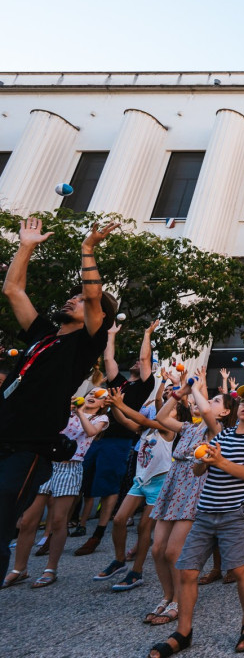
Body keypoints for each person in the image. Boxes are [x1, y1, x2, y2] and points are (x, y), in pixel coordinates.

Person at [1, 217, 118, 578]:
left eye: (80, 300)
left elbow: (95, 295)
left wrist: (88, 249)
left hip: (27, 448)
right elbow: (13, 291)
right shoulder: (44, 335)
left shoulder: (85, 345)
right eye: (73, 296)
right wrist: (26, 246)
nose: (74, 298)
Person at [148, 382, 244, 657]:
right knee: (188, 570)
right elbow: (196, 471)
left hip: (234, 513)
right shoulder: (223, 435)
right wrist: (202, 458)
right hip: (205, 512)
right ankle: (183, 632)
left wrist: (217, 461)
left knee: (239, 569)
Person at [144, 372, 238, 627]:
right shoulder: (188, 428)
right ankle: (167, 595)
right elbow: (162, 417)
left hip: (194, 489)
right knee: (157, 549)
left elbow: (206, 412)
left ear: (223, 413)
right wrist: (179, 393)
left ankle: (178, 600)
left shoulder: (218, 431)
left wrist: (195, 386)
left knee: (175, 551)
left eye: (218, 401)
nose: (210, 404)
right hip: (174, 486)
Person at [5, 389, 108, 588]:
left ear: (104, 403)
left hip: (70, 468)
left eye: (100, 395)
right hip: (47, 464)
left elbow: (91, 432)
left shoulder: (101, 418)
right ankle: (19, 569)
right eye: (92, 392)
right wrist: (64, 409)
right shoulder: (65, 413)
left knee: (59, 521)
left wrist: (79, 413)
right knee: (27, 521)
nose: (94, 395)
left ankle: (50, 569)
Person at [76, 318, 157, 556]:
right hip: (99, 438)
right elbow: (110, 360)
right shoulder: (119, 383)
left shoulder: (144, 384)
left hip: (120, 439)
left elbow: (144, 359)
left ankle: (98, 532)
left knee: (109, 484)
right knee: (87, 483)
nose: (136, 362)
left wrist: (147, 334)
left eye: (140, 363)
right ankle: (78, 525)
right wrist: (111, 335)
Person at [94, 384, 175, 592]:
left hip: (159, 483)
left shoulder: (167, 429)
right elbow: (125, 421)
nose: (165, 410)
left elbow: (142, 419)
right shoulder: (146, 429)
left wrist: (121, 403)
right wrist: (114, 406)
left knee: (143, 528)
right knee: (119, 519)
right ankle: (119, 561)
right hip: (141, 480)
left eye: (170, 408)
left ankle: (136, 572)